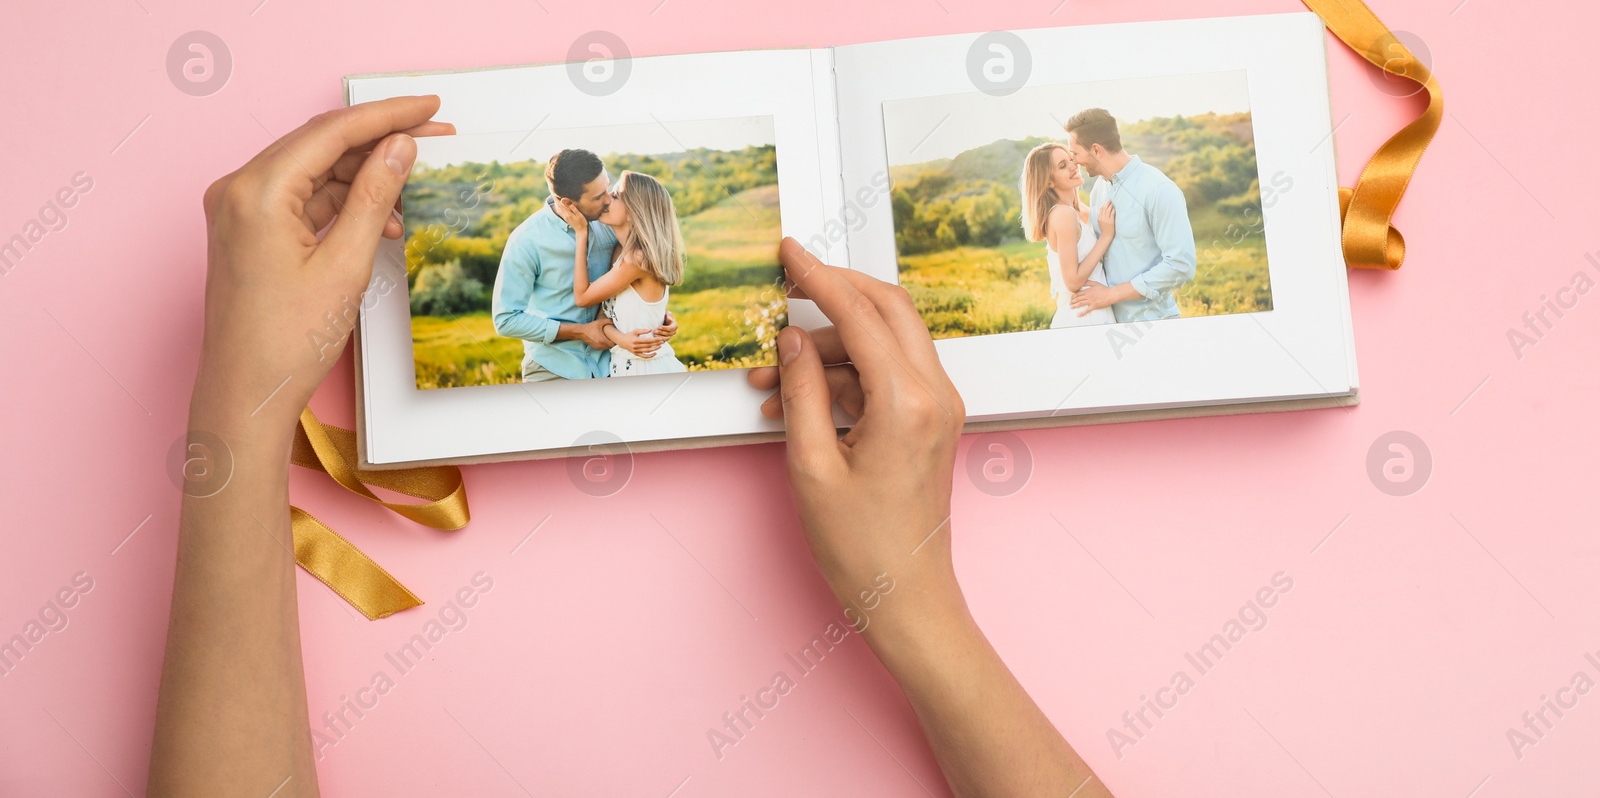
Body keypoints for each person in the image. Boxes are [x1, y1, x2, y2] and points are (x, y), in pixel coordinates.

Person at [147, 97, 1115, 798]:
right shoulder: (563, 244)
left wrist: (241, 397)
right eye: (599, 195)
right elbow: (520, 314)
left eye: (616, 197)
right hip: (573, 375)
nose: (610, 203)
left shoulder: (614, 252)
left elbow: (600, 300)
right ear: (574, 196)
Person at [490, 147, 674, 380]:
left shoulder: (610, 224)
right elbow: (506, 320)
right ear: (568, 202)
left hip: (613, 365)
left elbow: (638, 276)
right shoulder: (526, 240)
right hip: (553, 368)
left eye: (608, 189)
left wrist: (658, 317)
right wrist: (580, 332)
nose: (608, 200)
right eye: (599, 197)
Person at [1063, 108, 1197, 322]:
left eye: (1075, 153)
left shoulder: (1159, 189)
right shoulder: (1100, 188)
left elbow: (1181, 266)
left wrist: (1110, 295)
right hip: (1110, 322)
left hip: (1153, 322)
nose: (1074, 162)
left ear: (1096, 150)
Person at [554, 169, 688, 376]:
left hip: (647, 369)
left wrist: (582, 233)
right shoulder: (621, 252)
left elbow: (582, 297)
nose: (606, 200)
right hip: (623, 367)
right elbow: (605, 316)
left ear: (636, 211)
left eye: (615, 196)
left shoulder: (636, 260)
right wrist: (620, 338)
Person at [1019, 142, 1117, 327]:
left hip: (1092, 311)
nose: (1073, 166)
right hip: (1083, 317)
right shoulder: (1063, 214)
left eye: (1071, 160)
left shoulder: (1076, 212)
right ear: (1048, 181)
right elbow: (1072, 281)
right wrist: (1105, 237)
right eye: (1063, 166)